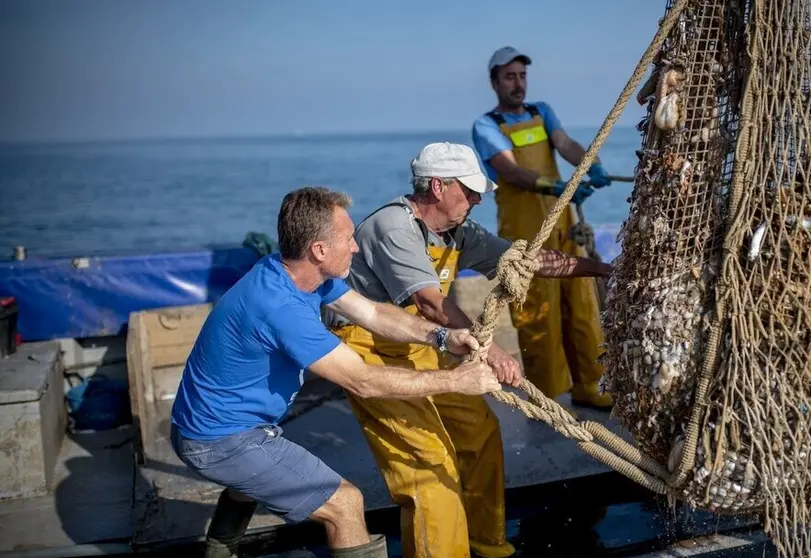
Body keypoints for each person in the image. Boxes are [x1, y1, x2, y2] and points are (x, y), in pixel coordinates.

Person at [168, 186, 502, 558]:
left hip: (216, 426)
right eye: (348, 239)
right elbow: (363, 380)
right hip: (220, 440)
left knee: (249, 483)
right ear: (319, 250)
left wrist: (441, 336)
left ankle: (219, 550)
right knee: (344, 505)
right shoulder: (282, 308)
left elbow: (372, 313)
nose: (356, 247)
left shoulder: (293, 272)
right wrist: (457, 380)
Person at [325, 142, 614, 558]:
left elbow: (525, 261)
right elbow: (430, 303)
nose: (479, 198)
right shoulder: (395, 227)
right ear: (438, 187)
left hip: (422, 341)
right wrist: (493, 351)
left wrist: (600, 268)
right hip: (368, 349)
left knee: (480, 431)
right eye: (470, 190)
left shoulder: (458, 230)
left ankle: (484, 542)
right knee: (428, 465)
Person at [471, 46, 616, 409]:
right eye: (509, 77)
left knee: (581, 306)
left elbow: (564, 144)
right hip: (524, 233)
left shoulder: (542, 112)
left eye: (521, 76)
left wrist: (590, 164)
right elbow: (509, 169)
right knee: (538, 313)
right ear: (494, 83)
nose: (518, 84)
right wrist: (554, 186)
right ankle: (546, 396)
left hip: (562, 223)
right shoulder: (487, 126)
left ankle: (591, 385)